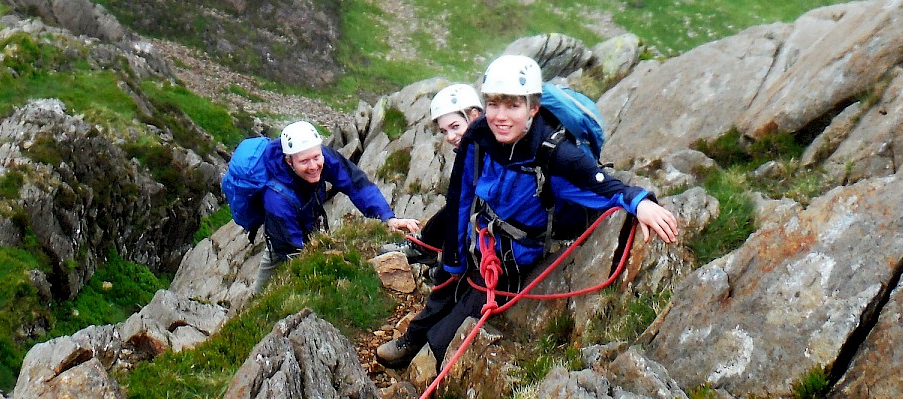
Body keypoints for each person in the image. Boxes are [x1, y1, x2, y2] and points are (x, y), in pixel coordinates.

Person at [375, 54, 678, 368]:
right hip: (479, 239)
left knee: (451, 330)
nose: (500, 117)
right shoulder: (478, 137)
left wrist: (640, 202)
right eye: (494, 105)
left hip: (510, 261)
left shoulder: (555, 155)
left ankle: (429, 365)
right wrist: (453, 258)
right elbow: (460, 196)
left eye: (513, 106)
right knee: (444, 287)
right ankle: (411, 340)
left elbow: (603, 186)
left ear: (533, 108)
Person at [252, 120, 420, 292]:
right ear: (289, 161)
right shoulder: (276, 198)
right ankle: (255, 305)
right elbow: (290, 250)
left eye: (316, 157)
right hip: (283, 234)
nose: (313, 166)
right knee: (265, 288)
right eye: (304, 162)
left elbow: (356, 183)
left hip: (308, 218)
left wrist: (387, 218)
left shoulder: (320, 155)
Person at [379, 83, 484, 265]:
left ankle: (424, 246)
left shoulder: (483, 151)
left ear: (474, 115)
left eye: (455, 126)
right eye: (444, 131)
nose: (450, 137)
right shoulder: (473, 150)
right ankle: (425, 244)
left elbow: (462, 204)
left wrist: (453, 259)